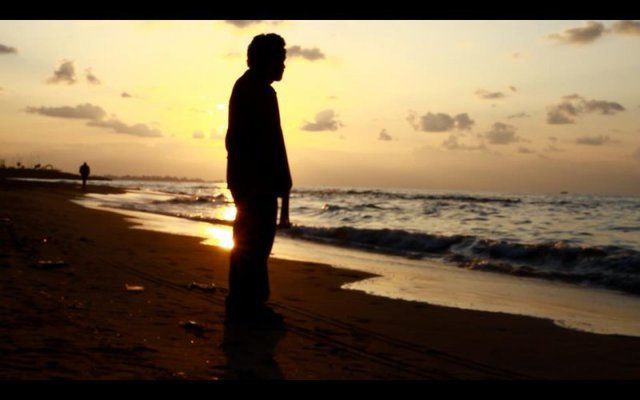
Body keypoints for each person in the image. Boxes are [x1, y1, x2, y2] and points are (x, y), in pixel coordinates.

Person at [224, 33, 292, 323]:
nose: (284, 65)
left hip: (247, 179)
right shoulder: (258, 91)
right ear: (266, 60)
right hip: (256, 181)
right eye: (280, 59)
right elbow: (272, 143)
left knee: (248, 242)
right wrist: (281, 182)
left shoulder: (247, 86)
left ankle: (242, 304)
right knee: (256, 244)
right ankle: (249, 307)